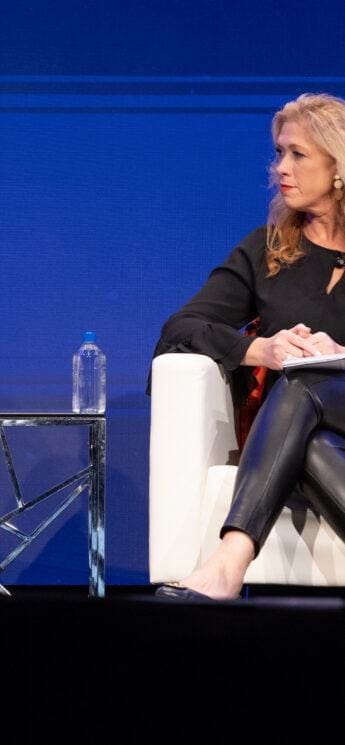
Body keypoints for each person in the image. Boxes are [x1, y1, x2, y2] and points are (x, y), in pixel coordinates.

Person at [153, 93, 345, 601]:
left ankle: (227, 564)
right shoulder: (268, 250)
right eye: (279, 152)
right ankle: (230, 561)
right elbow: (181, 327)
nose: (281, 167)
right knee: (307, 431)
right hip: (316, 432)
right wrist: (260, 351)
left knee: (305, 379)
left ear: (339, 166)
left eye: (298, 154)